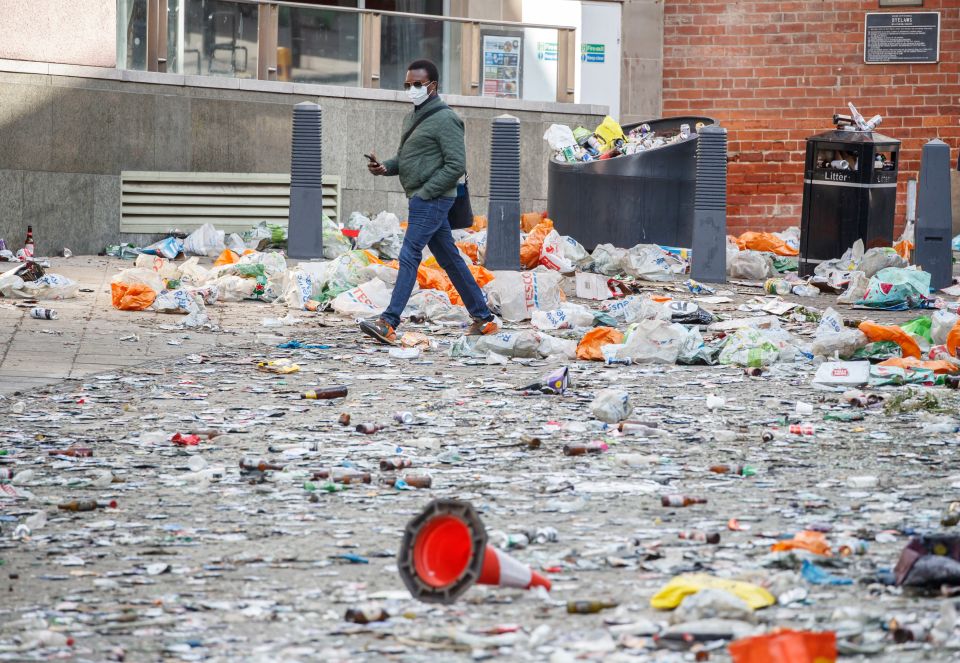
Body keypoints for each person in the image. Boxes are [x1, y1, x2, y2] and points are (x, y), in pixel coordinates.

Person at [360, 59, 499, 345]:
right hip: (422, 198)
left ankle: (388, 321)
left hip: (433, 199)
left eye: (417, 84)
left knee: (410, 253)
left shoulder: (447, 119)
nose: (412, 89)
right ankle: (483, 319)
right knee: (449, 259)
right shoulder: (412, 117)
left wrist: (427, 192)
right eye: (408, 85)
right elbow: (408, 158)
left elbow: (456, 165)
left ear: (432, 86)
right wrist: (385, 166)